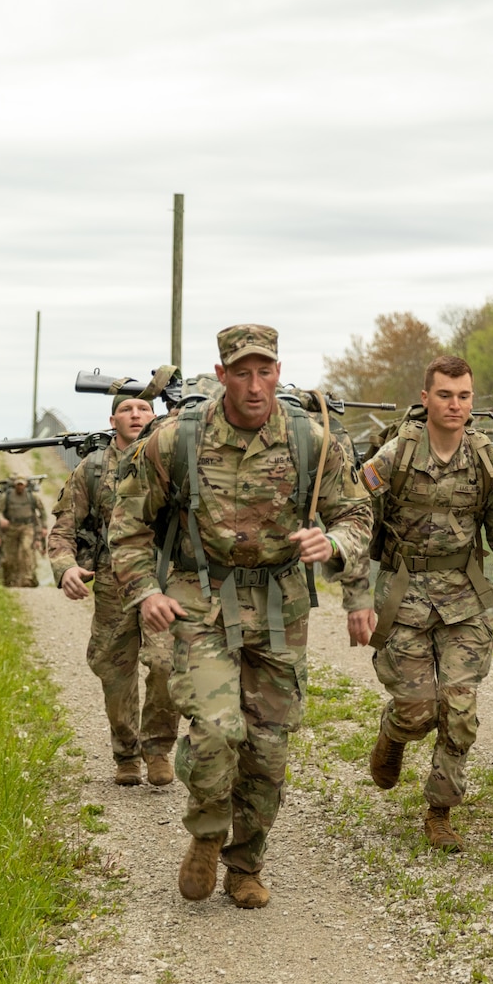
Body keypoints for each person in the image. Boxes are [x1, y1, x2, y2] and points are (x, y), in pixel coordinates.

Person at [110, 325, 374, 909]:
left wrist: (333, 543)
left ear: (278, 372)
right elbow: (127, 525)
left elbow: (357, 513)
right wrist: (145, 592)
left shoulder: (314, 441)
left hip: (280, 608)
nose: (255, 385)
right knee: (215, 730)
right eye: (243, 372)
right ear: (222, 373)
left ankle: (246, 863)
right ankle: (207, 832)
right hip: (200, 600)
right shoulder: (175, 440)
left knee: (268, 747)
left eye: (266, 371)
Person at [353, 354, 493, 852]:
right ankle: (393, 735)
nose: (455, 405)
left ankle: (440, 811)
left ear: (471, 400)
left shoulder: (485, 461)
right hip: (403, 596)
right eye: (444, 395)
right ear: (426, 398)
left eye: (463, 396)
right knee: (418, 710)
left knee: (459, 708)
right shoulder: (396, 455)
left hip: (463, 598)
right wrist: (354, 591)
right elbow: (353, 514)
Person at [48, 395, 179, 786]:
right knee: (114, 671)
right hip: (112, 582)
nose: (135, 414)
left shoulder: (173, 459)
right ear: (112, 419)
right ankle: (126, 753)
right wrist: (65, 567)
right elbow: (64, 526)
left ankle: (157, 749)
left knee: (165, 664)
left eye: (143, 408)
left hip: (164, 578)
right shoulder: (91, 468)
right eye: (127, 409)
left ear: (155, 417)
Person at [0, 475, 47, 586]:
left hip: (27, 527)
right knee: (9, 556)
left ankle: (27, 579)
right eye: (18, 484)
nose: (20, 487)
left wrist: (44, 527)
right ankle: (9, 580)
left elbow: (42, 512)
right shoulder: (6, 497)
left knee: (26, 550)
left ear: (25, 485)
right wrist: (1, 519)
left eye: (22, 484)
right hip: (11, 528)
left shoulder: (32, 497)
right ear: (14, 485)